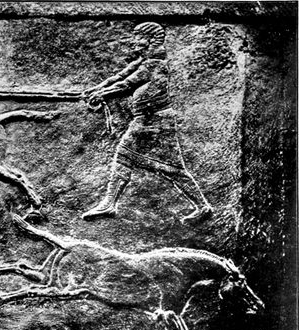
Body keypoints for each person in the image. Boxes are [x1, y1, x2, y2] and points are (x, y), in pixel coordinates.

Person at [82, 22, 212, 224]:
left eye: (138, 37)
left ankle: (110, 203)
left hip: (154, 121)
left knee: (134, 158)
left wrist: (103, 94)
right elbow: (119, 76)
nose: (133, 41)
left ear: (151, 40)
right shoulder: (144, 61)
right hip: (149, 120)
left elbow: (127, 84)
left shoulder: (155, 65)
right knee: (168, 168)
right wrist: (97, 89)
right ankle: (202, 206)